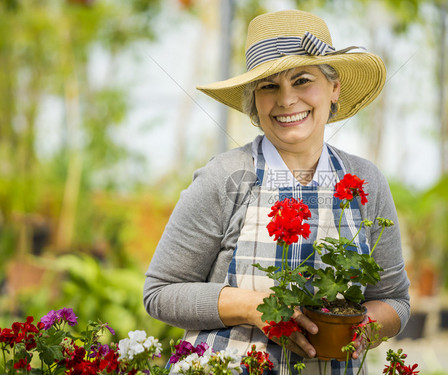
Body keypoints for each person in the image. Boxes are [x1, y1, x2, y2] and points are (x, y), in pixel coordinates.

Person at [144, 9, 410, 375]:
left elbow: (395, 300)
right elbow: (159, 293)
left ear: (334, 89)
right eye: (269, 85)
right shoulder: (224, 176)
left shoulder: (365, 179)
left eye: (302, 80)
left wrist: (363, 329)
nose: (286, 100)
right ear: (254, 101)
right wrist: (251, 306)